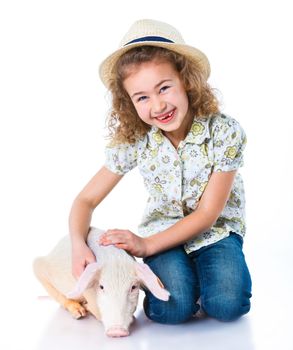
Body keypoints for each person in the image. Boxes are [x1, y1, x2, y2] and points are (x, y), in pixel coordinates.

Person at [69, 19, 252, 324]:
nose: (157, 105)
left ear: (186, 81)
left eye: (164, 88)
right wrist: (77, 243)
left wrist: (145, 246)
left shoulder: (224, 132)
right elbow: (85, 200)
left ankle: (199, 281)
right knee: (170, 310)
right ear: (129, 103)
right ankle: (183, 282)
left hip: (215, 234)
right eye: (142, 97)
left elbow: (208, 213)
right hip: (162, 232)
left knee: (228, 306)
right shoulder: (137, 141)